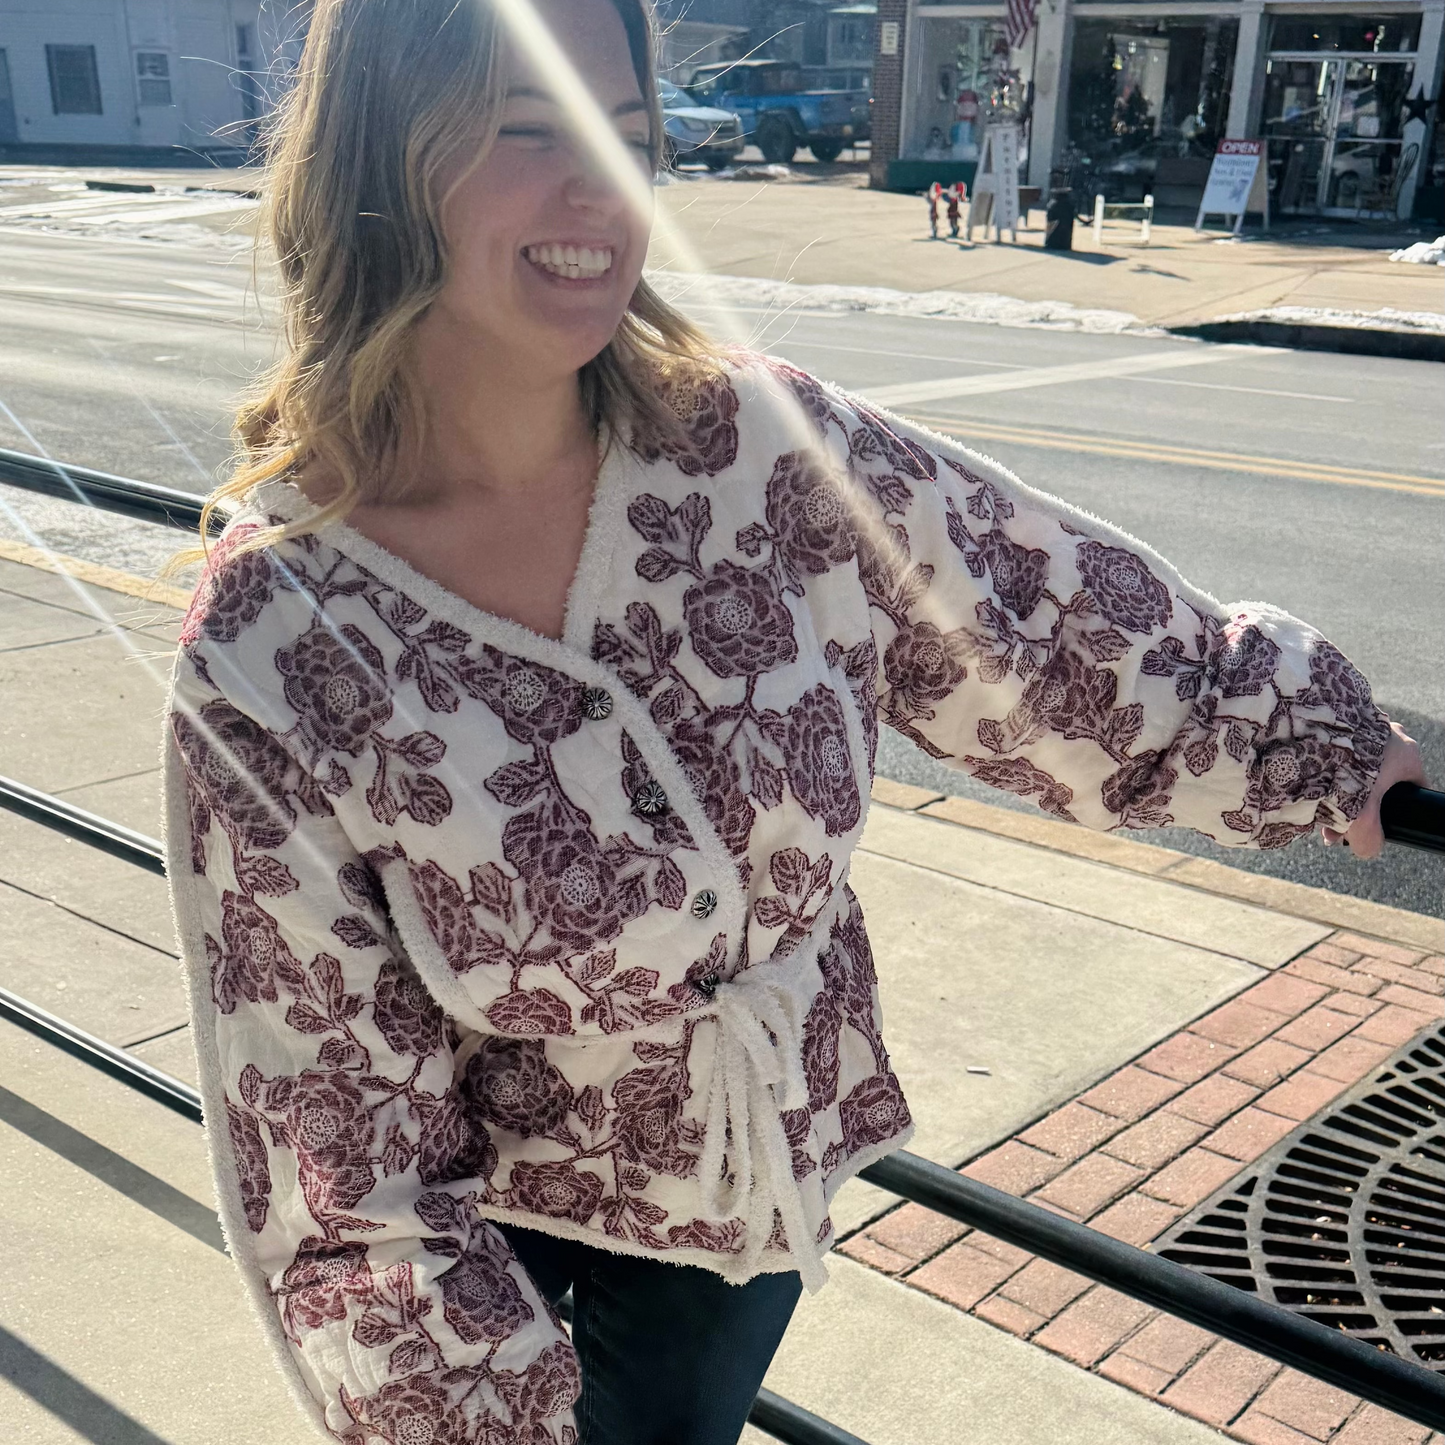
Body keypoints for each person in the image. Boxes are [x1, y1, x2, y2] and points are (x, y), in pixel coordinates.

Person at [156, 0, 1426, 1441]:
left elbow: (1039, 630)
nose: (603, 192)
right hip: (510, 1275)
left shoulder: (759, 456)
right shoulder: (284, 643)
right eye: (529, 129)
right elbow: (336, 1152)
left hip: (772, 1200)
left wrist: (1297, 744)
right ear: (379, 157)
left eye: (631, 139)